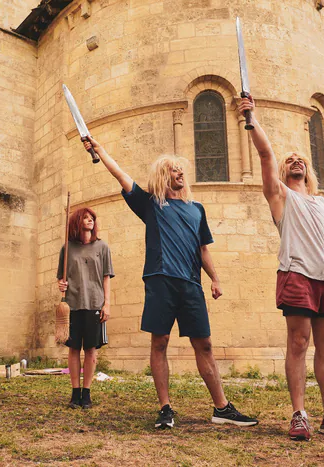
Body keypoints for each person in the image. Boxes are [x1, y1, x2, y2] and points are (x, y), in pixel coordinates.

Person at [82, 137, 258, 429]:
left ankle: (222, 408)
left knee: (205, 345)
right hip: (160, 282)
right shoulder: (151, 205)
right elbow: (121, 176)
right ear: (164, 175)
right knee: (160, 342)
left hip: (191, 285)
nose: (180, 173)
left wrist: (215, 279)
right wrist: (100, 151)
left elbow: (203, 249)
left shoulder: (196, 209)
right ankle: (165, 409)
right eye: (174, 169)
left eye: (181, 169)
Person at [238, 97, 324, 440]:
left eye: (300, 158)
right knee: (298, 343)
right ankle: (299, 414)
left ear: (308, 170)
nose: (295, 160)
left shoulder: (321, 203)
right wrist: (251, 117)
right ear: (285, 172)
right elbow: (266, 154)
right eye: (290, 160)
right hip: (296, 275)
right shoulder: (280, 196)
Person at [57, 207, 114, 409]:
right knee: (73, 349)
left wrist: (107, 304)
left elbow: (106, 277)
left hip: (95, 304)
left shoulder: (102, 247)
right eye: (86, 218)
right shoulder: (67, 248)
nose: (90, 221)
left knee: (90, 349)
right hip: (72, 305)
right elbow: (62, 279)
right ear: (77, 222)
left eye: (92, 218)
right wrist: (61, 285)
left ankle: (87, 393)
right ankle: (75, 393)